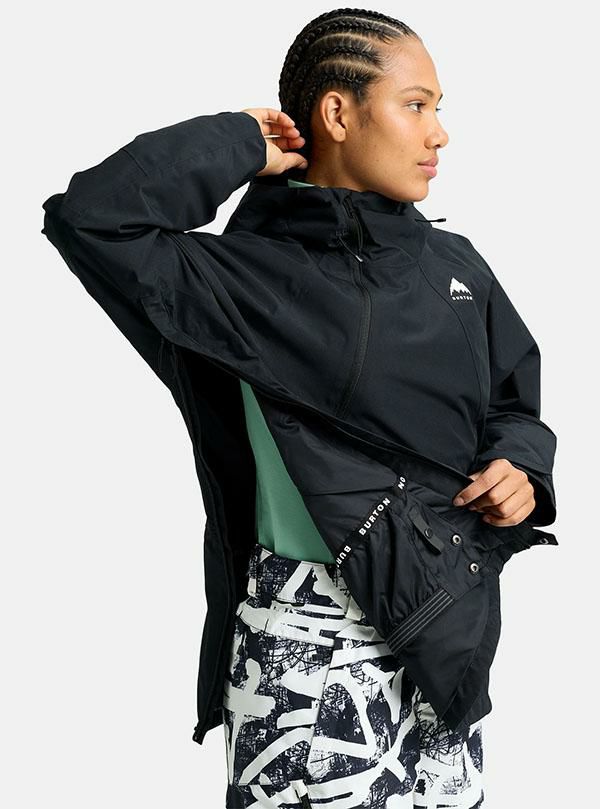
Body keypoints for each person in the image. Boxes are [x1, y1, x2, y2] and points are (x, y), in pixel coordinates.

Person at [41, 8, 558, 809]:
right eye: (415, 105)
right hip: (312, 646)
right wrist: (239, 140)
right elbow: (91, 218)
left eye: (437, 108)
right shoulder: (243, 278)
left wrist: (520, 466)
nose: (439, 133)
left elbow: (512, 401)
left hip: (449, 637)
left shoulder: (454, 265)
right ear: (338, 114)